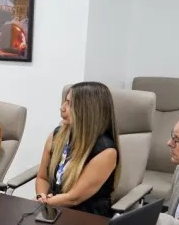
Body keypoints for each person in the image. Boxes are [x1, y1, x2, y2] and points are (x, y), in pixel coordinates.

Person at [34, 82, 120, 217]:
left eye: (69, 103)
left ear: (88, 110)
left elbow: (74, 198)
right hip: (53, 209)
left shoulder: (105, 151)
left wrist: (44, 203)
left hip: (86, 218)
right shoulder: (57, 135)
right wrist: (41, 196)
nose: (62, 108)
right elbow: (42, 177)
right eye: (64, 102)